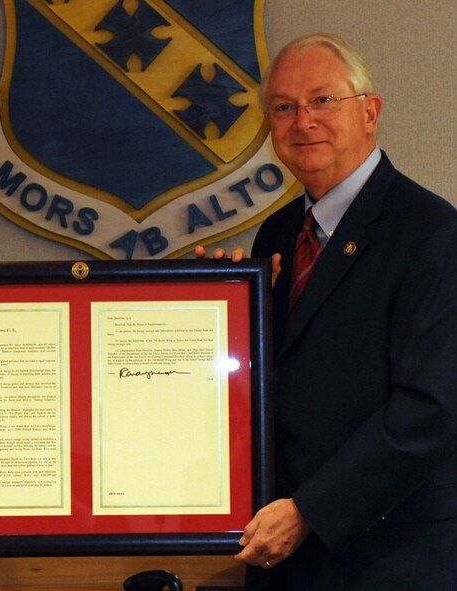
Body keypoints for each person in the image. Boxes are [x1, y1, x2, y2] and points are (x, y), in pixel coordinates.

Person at [199, 33, 456, 589]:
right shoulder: (279, 232)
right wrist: (213, 309)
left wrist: (310, 511)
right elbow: (273, 381)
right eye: (284, 108)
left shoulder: (434, 232)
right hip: (283, 555)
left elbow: (430, 410)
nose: (303, 120)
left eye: (322, 100)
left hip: (388, 557)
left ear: (370, 112)